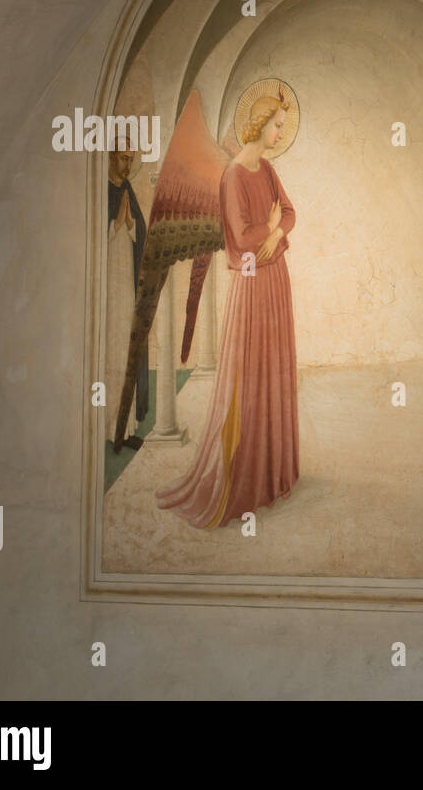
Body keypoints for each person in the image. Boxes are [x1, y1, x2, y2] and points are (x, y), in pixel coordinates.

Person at [155, 94, 298, 528]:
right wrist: (271, 231)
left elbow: (290, 213)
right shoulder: (234, 175)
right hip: (252, 284)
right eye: (276, 125)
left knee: (274, 372)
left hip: (275, 280)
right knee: (247, 378)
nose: (280, 133)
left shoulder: (268, 169)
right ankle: (243, 477)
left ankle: (273, 474)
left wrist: (274, 231)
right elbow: (243, 234)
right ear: (258, 127)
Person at [105, 142, 148, 449]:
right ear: (111, 157)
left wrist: (131, 223)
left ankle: (127, 426)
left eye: (131, 160)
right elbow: (93, 236)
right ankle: (108, 429)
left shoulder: (127, 189)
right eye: (123, 158)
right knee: (111, 353)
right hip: (109, 287)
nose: (127, 165)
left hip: (127, 285)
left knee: (127, 351)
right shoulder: (101, 189)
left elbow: (139, 230)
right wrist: (118, 221)